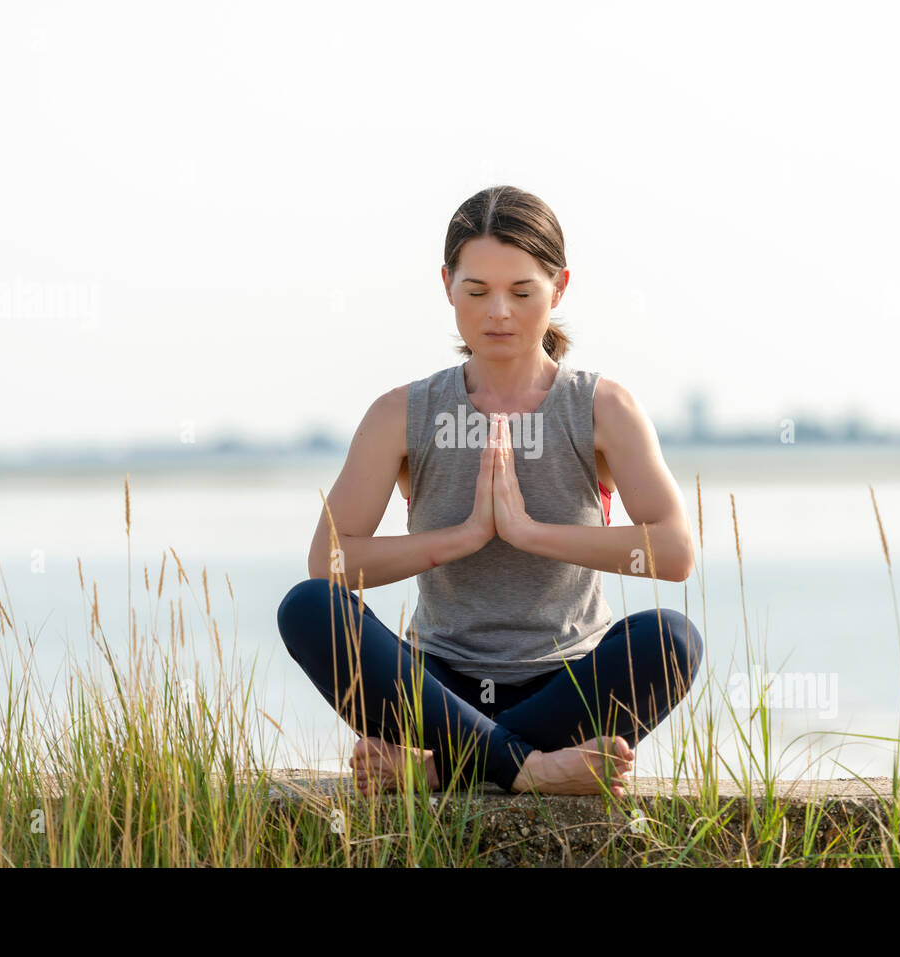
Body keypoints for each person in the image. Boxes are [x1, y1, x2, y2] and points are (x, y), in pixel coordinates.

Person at [277, 185, 703, 797]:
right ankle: (527, 768)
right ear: (447, 284)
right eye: (476, 291)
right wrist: (461, 537)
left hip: (565, 686)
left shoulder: (602, 407)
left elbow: (675, 553)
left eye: (522, 292)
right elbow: (331, 562)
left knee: (672, 639)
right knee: (307, 607)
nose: (498, 312)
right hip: (436, 691)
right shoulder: (402, 412)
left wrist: (529, 533)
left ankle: (441, 767)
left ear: (559, 288)